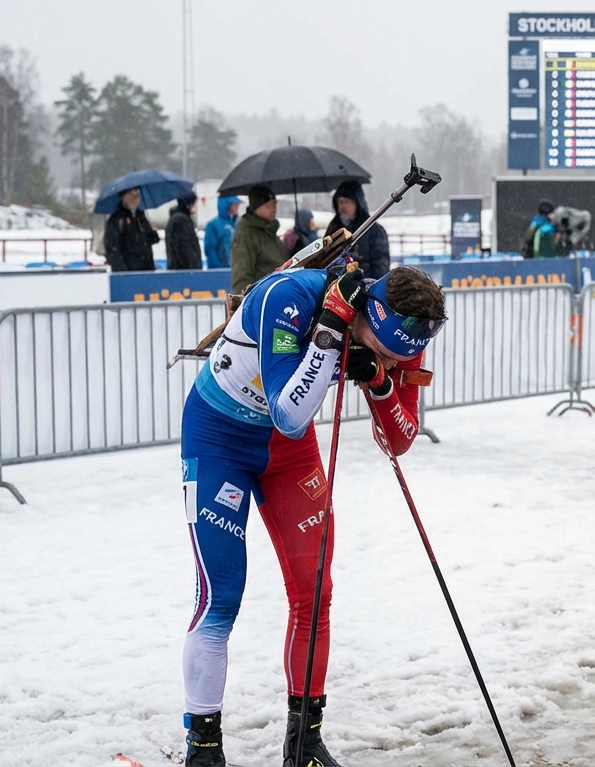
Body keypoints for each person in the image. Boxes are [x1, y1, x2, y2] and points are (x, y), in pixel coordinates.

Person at [179, 265, 447, 766]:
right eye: (387, 350)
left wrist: (382, 384)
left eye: (403, 355)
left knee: (314, 592)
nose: (395, 360)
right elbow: (288, 413)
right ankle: (204, 748)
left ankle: (304, 744)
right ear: (370, 313)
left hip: (290, 454)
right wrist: (327, 333)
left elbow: (399, 440)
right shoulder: (288, 297)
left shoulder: (407, 329)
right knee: (221, 596)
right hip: (220, 439)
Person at [325, 180, 389, 280]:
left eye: (347, 202)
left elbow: (381, 265)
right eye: (340, 202)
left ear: (357, 203)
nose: (343, 206)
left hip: (365, 283)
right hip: (335, 284)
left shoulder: (373, 230)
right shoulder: (333, 227)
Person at [230, 186, 289, 294]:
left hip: (277, 293)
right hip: (262, 295)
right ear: (257, 208)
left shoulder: (270, 232)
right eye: (268, 206)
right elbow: (242, 274)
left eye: (274, 204)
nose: (273, 209)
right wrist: (243, 299)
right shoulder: (246, 234)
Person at [103, 187, 159, 272]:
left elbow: (148, 238)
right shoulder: (117, 219)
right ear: (124, 197)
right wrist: (121, 271)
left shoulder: (140, 217)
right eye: (132, 195)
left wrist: (152, 236)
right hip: (129, 270)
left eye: (137, 195)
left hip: (147, 269)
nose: (136, 199)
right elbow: (113, 248)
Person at [166, 193, 204, 270]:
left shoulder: (177, 219)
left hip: (180, 268)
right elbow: (184, 247)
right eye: (193, 203)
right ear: (188, 205)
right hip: (185, 269)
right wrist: (192, 266)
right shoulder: (181, 220)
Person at [204, 195, 240, 270]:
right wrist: (218, 269)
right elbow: (210, 249)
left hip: (236, 270)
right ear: (226, 205)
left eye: (238, 204)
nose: (237, 207)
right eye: (235, 204)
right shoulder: (214, 225)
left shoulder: (237, 224)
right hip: (221, 270)